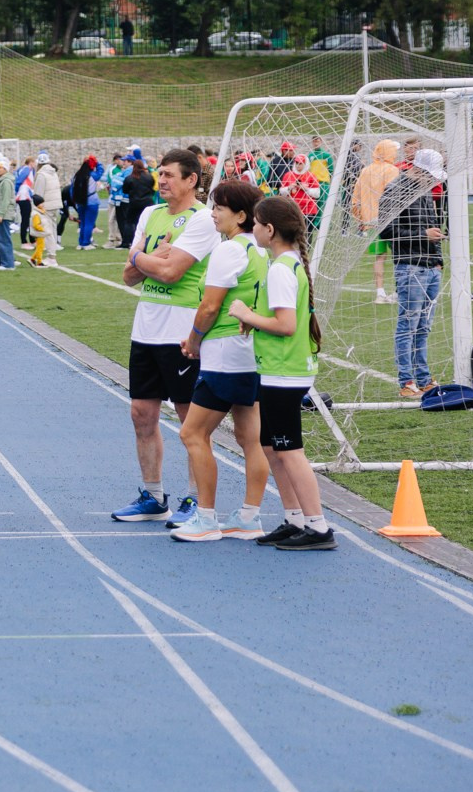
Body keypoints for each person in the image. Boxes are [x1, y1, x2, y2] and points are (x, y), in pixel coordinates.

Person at [110, 146, 222, 527]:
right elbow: (127, 276)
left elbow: (173, 273)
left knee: (191, 420)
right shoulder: (149, 213)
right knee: (141, 414)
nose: (163, 181)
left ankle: (196, 499)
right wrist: (150, 258)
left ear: (192, 179)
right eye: (160, 174)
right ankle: (154, 496)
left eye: (170, 175)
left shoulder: (203, 219)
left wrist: (142, 257)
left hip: (182, 334)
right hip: (145, 329)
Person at [170, 179, 271, 541]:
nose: (212, 214)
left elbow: (211, 305)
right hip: (251, 353)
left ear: (241, 215)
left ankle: (207, 518)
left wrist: (194, 340)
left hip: (225, 354)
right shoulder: (261, 250)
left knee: (192, 432)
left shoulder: (229, 251)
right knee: (250, 438)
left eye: (219, 209)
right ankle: (248, 516)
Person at [235, 195, 334, 551]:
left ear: (270, 229)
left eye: (257, 224)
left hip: (284, 372)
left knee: (289, 450)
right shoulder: (286, 263)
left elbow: (286, 325)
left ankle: (318, 526)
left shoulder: (280, 268)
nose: (254, 230)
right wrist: (256, 322)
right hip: (278, 369)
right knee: (271, 447)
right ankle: (295, 518)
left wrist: (246, 315)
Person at [382, 149, 450, 396]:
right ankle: (406, 380)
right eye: (430, 175)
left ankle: (423, 377)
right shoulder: (394, 190)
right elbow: (386, 232)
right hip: (409, 266)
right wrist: (422, 236)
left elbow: (433, 225)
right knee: (408, 324)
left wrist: (438, 259)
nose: (433, 181)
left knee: (424, 326)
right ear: (418, 170)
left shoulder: (423, 191)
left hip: (431, 267)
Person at [351, 137, 401, 305]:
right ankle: (397, 291)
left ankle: (379, 293)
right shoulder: (392, 170)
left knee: (379, 257)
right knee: (399, 256)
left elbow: (355, 198)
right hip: (391, 219)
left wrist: (361, 218)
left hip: (371, 220)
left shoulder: (366, 170)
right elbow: (395, 197)